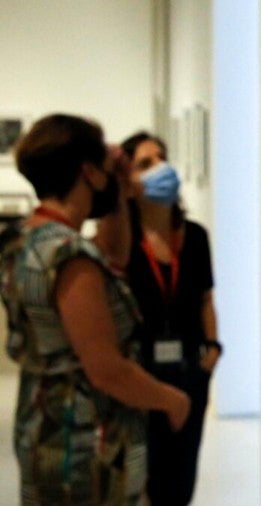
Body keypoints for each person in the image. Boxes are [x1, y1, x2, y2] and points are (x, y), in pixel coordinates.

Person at [0, 114, 190, 504]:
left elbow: (114, 258)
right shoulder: (70, 255)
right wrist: (172, 399)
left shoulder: (24, 236)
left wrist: (118, 190)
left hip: (44, 426)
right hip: (86, 441)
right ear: (88, 172)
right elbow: (107, 371)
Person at [120, 131, 220, 506]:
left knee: (182, 472)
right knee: (146, 470)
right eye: (146, 164)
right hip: (141, 369)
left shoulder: (194, 237)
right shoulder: (122, 241)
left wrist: (212, 351)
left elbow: (205, 299)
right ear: (129, 181)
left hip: (190, 366)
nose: (161, 168)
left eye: (162, 157)